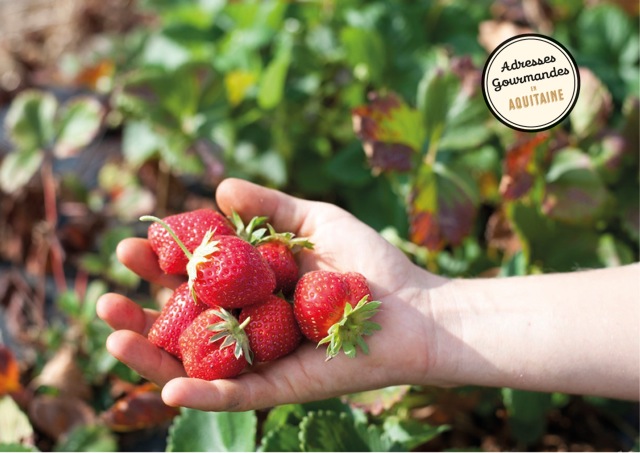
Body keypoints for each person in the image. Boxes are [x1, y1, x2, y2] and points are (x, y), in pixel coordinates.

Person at [96, 178, 640, 411]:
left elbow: (263, 284)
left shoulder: (271, 281)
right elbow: (255, 283)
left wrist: (425, 314)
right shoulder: (253, 280)